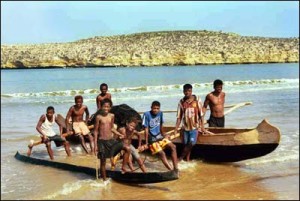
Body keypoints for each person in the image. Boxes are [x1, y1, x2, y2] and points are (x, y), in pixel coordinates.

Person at [93, 98, 131, 181]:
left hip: (111, 141)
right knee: (103, 162)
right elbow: (95, 131)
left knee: (127, 148)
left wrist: (119, 134)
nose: (106, 108)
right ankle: (104, 180)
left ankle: (123, 167)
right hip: (102, 142)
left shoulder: (112, 116)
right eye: (104, 106)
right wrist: (95, 145)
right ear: (101, 107)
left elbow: (112, 128)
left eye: (108, 107)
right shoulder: (98, 117)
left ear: (110, 107)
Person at [142, 101, 178, 171]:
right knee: (162, 153)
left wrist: (164, 134)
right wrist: (146, 143)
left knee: (173, 147)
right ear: (151, 107)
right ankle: (171, 170)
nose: (155, 110)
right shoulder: (146, 114)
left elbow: (161, 125)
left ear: (159, 109)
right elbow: (146, 129)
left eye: (157, 108)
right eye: (154, 108)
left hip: (159, 136)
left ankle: (176, 168)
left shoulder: (160, 113)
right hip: (151, 138)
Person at [174, 84, 206, 162]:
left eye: (189, 91)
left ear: (191, 91)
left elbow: (201, 114)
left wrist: (202, 127)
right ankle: (187, 159)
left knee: (191, 143)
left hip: (194, 127)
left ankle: (180, 158)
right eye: (185, 91)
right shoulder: (181, 102)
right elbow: (179, 117)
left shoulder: (197, 100)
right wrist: (175, 129)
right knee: (186, 144)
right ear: (183, 91)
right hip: (185, 127)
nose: (187, 92)